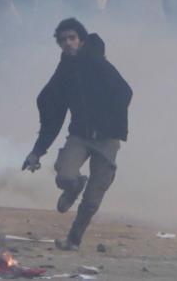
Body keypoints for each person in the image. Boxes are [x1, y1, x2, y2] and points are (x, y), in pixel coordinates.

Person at [22, 19, 133, 252]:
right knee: (64, 176)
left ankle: (73, 239)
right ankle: (74, 186)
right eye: (63, 40)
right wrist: (37, 151)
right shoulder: (65, 71)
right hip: (80, 135)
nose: (68, 43)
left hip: (107, 138)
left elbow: (125, 92)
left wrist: (112, 125)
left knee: (92, 199)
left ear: (81, 39)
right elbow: (53, 111)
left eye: (72, 38)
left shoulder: (98, 63)